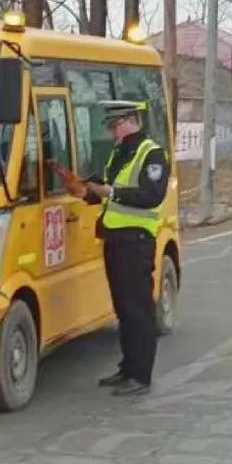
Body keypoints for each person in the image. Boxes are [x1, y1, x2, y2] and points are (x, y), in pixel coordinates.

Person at [66, 100, 169, 397]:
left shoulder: (152, 153)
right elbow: (109, 194)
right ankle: (127, 368)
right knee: (123, 308)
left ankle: (141, 375)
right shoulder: (120, 152)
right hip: (115, 240)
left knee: (138, 310)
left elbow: (151, 195)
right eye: (110, 126)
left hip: (136, 241)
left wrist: (110, 191)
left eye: (116, 125)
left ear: (132, 120)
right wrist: (86, 190)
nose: (112, 131)